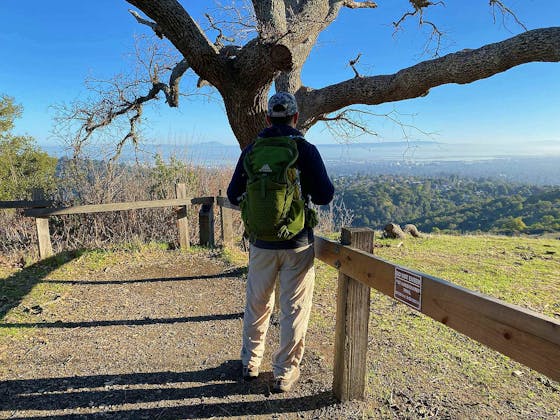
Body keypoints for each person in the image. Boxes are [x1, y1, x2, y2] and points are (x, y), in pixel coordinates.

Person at [227, 92, 334, 392]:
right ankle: (285, 372)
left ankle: (250, 362)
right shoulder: (305, 150)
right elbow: (325, 195)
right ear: (296, 117)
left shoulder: (251, 150)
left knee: (257, 303)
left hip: (261, 243)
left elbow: (233, 195)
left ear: (267, 118)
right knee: (294, 308)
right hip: (297, 244)